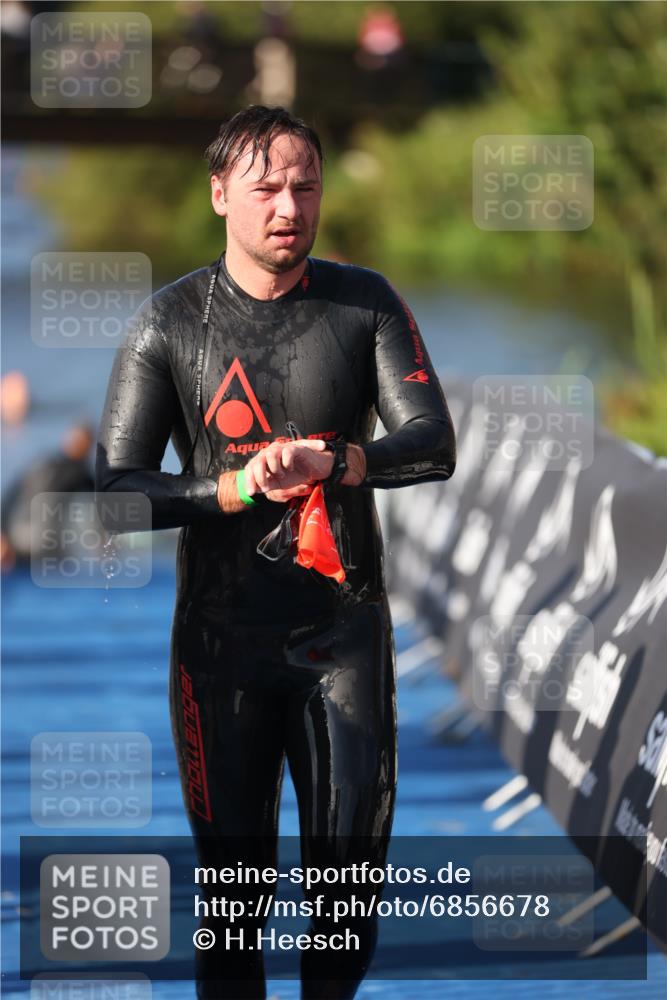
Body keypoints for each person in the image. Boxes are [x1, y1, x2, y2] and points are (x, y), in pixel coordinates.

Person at [96, 105, 456, 999]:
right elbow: (112, 495)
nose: (287, 206)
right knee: (232, 920)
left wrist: (341, 461)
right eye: (264, 189)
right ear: (220, 195)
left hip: (344, 639)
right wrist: (234, 487)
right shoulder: (166, 323)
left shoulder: (362, 301)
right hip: (220, 650)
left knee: (343, 910)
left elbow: (434, 441)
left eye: (305, 186)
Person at [1, 422, 94, 571]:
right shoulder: (77, 471)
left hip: (17, 538)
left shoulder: (41, 464)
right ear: (87, 447)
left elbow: (9, 496)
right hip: (44, 547)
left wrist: (3, 534)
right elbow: (101, 496)